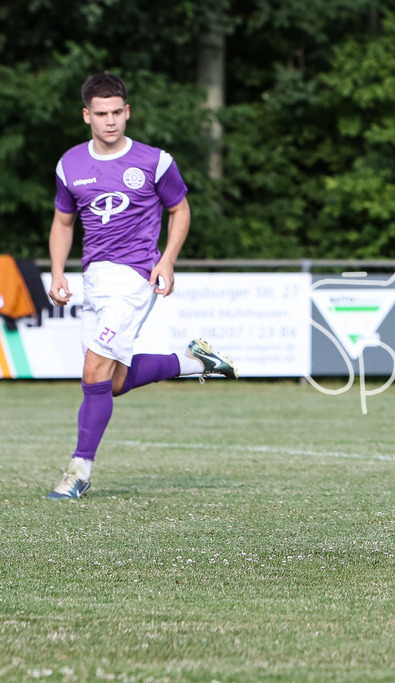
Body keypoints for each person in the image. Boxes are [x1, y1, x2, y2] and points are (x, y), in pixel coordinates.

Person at [45, 71, 237, 500]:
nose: (110, 121)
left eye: (117, 112)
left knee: (94, 372)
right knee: (109, 384)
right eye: (101, 114)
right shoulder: (69, 164)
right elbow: (63, 222)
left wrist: (167, 259)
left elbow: (181, 210)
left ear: (127, 112)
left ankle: (78, 471)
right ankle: (192, 361)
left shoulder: (155, 161)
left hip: (134, 279)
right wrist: (58, 272)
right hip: (93, 280)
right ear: (86, 116)